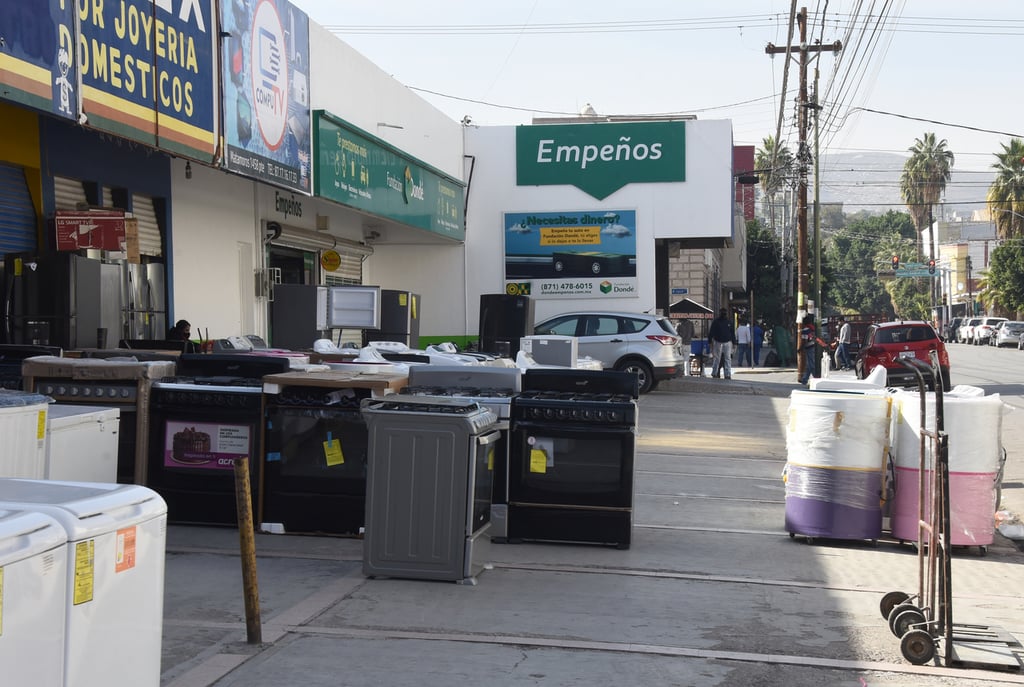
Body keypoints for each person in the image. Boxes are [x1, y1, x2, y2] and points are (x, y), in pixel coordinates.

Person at [798, 314, 827, 385]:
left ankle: (816, 378)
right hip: (813, 346)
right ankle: (805, 380)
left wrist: (800, 348)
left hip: (808, 347)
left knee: (811, 365)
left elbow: (804, 340)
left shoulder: (805, 330)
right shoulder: (812, 328)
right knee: (809, 365)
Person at [707, 308, 735, 379]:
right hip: (721, 341)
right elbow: (732, 333)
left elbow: (711, 333)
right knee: (724, 358)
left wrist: (710, 342)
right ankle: (722, 373)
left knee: (721, 358)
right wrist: (734, 343)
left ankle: (719, 373)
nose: (723, 314)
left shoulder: (717, 322)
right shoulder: (726, 322)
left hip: (722, 341)